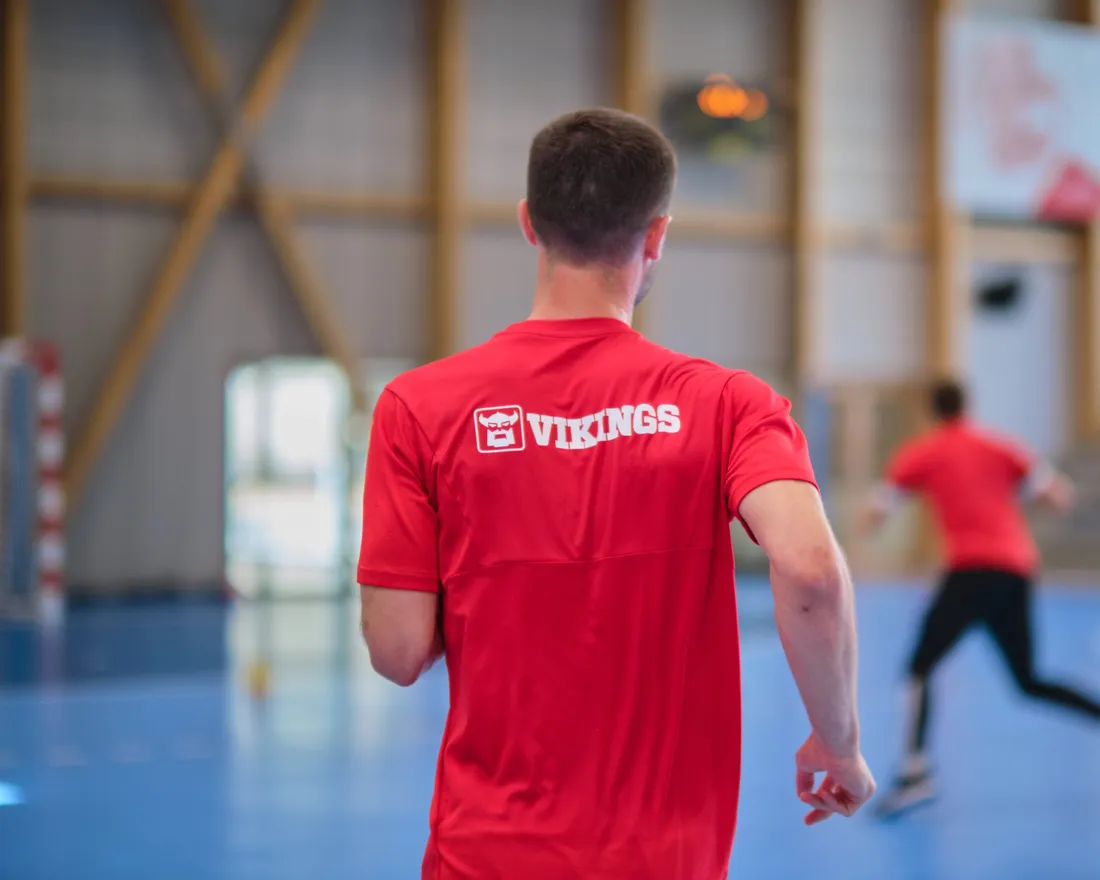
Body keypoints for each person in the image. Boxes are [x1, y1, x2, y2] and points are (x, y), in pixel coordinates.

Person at [357, 108, 874, 879]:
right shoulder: (728, 403)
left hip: (484, 853)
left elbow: (398, 651)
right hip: (667, 858)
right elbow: (810, 569)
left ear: (530, 223)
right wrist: (840, 743)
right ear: (656, 236)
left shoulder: (418, 407)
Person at [864, 379, 1100, 819]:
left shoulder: (923, 452)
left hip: (972, 571)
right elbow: (1058, 496)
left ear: (931, 410)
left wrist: (863, 531)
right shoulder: (999, 447)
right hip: (1016, 571)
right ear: (967, 406)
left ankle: (915, 773)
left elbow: (880, 507)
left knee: (917, 670)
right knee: (1028, 681)